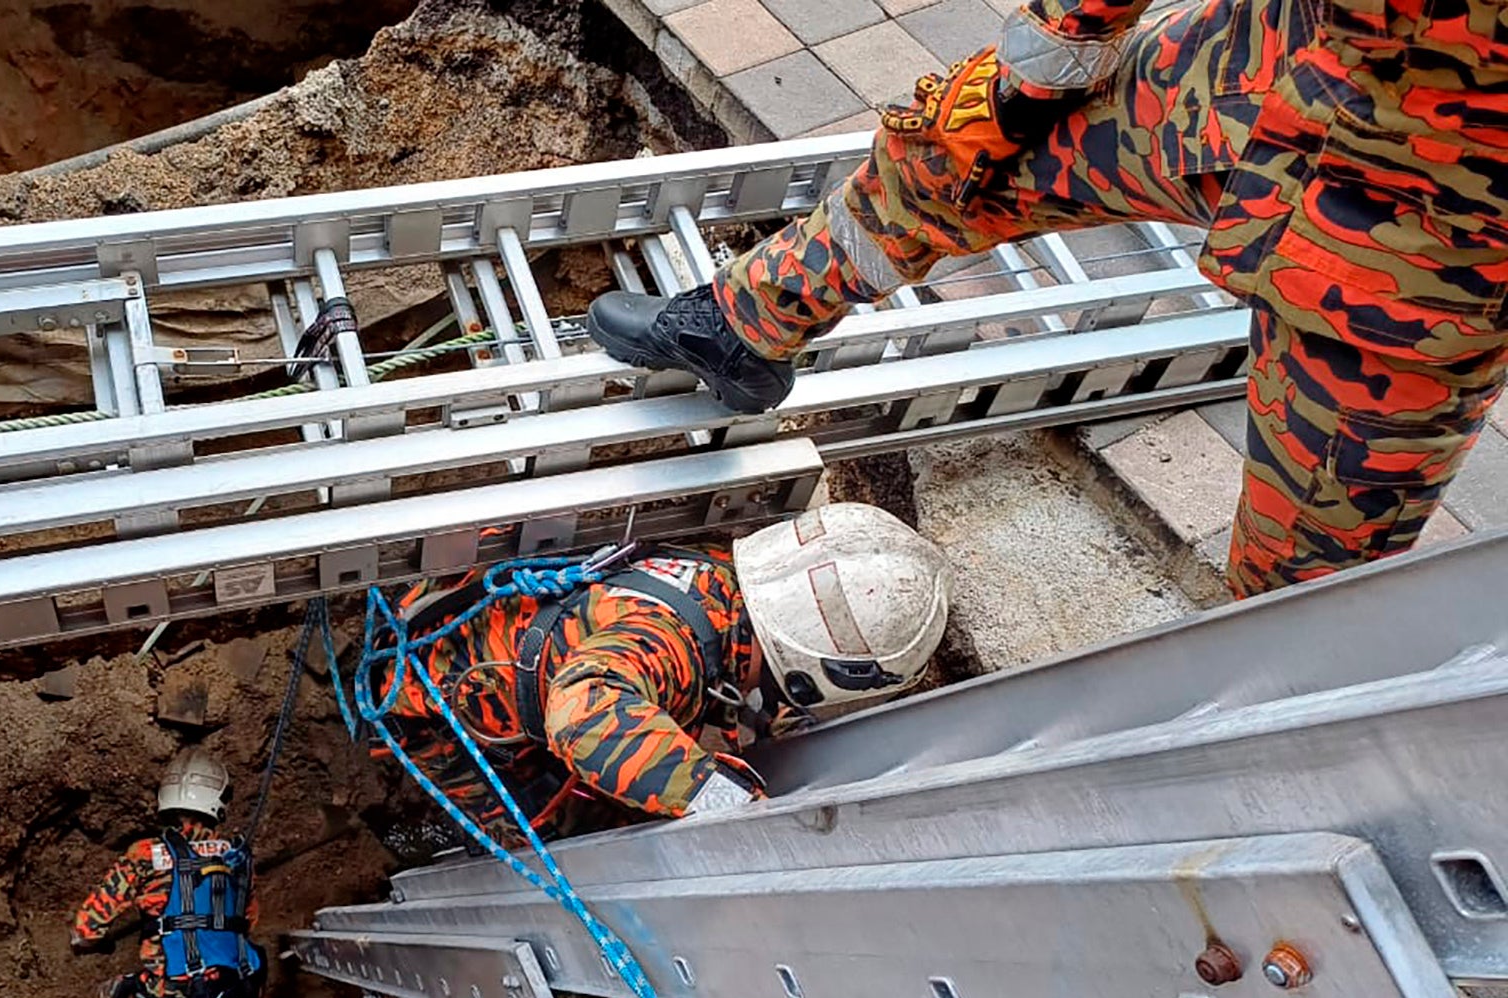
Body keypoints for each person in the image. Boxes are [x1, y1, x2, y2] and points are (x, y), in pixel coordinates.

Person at [587, 0, 1508, 599]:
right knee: (947, 151)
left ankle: (1233, 743)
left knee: (1308, 583)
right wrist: (1049, 62)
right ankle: (745, 326)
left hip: (1432, 239)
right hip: (1276, 69)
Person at [377, 502, 950, 841]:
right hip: (424, 696)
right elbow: (585, 718)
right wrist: (726, 804)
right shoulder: (669, 643)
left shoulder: (720, 578)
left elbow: (738, 698)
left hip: (470, 617)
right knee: (535, 835)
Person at [58, 750, 265, 998]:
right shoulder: (237, 854)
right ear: (220, 801)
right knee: (257, 955)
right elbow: (249, 922)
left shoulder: (145, 856)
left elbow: (85, 930)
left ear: (165, 800)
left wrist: (93, 942)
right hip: (233, 989)